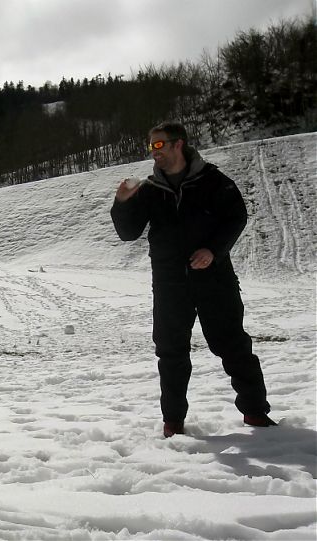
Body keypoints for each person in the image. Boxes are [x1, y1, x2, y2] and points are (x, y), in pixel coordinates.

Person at [110, 121, 275, 438]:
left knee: (233, 346)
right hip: (170, 283)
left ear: (178, 144)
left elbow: (236, 217)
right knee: (170, 352)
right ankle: (173, 423)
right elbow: (127, 233)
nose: (154, 152)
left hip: (215, 279)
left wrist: (213, 251)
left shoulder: (213, 181)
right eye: (151, 146)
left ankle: (255, 413)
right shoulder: (149, 190)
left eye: (159, 145)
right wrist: (121, 203)